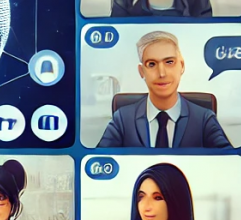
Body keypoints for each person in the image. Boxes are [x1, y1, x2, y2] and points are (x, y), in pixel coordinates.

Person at [99, 31, 231, 148]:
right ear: (141, 72)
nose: (162, 73)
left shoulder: (204, 119)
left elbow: (230, 162)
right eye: (151, 64)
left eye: (169, 62)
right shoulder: (122, 119)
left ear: (181, 66)